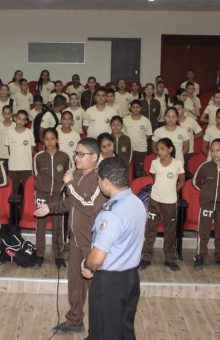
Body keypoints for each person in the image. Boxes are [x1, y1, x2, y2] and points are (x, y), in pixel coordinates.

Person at [34, 138, 106, 335]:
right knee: (75, 284)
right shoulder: (75, 174)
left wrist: (70, 184)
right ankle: (74, 320)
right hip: (74, 239)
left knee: (95, 289)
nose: (76, 157)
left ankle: (98, 329)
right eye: (76, 153)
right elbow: (70, 203)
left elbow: (89, 206)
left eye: (81, 154)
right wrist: (50, 207)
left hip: (92, 243)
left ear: (95, 157)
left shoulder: (100, 178)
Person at [80, 156, 145, 340]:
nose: (99, 183)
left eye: (99, 180)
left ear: (106, 182)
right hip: (131, 277)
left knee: (104, 332)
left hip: (110, 283)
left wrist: (86, 263)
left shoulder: (112, 215)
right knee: (124, 330)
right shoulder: (137, 203)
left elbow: (97, 259)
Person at [138, 138, 185, 271]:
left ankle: (169, 259)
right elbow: (154, 178)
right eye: (158, 149)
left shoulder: (177, 164)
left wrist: (172, 191)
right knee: (150, 229)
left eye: (162, 149)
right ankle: (146, 257)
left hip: (170, 202)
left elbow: (182, 181)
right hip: (155, 200)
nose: (159, 151)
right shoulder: (154, 163)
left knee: (170, 230)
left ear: (170, 149)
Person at [192, 138, 220, 270]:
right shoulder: (205, 166)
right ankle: (200, 256)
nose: (215, 153)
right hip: (207, 204)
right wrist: (206, 191)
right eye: (212, 150)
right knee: (204, 231)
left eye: (218, 150)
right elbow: (195, 181)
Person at [33, 128, 71, 269]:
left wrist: (63, 192)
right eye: (46, 139)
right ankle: (39, 255)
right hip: (42, 194)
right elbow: (35, 174)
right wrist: (42, 188)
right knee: (40, 225)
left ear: (57, 139)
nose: (49, 142)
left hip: (58, 195)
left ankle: (58, 256)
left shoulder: (65, 157)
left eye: (52, 138)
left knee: (58, 226)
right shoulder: (38, 157)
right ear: (43, 140)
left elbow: (69, 177)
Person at [5, 110, 35, 194]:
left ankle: (27, 207)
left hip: (27, 166)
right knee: (13, 191)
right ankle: (13, 207)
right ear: (15, 119)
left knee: (28, 191)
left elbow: (32, 150)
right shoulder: (9, 133)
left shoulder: (29, 133)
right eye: (19, 118)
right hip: (14, 166)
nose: (20, 121)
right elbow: (9, 150)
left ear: (26, 122)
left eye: (23, 119)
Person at [123, 100, 152, 176]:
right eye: (133, 107)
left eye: (137, 107)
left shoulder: (146, 121)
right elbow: (122, 134)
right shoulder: (125, 120)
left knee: (139, 171)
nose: (135, 109)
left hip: (141, 149)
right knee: (127, 170)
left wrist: (140, 140)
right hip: (127, 149)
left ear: (141, 108)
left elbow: (149, 134)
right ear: (130, 109)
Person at [175, 100, 203, 167]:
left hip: (189, 151)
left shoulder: (191, 121)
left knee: (188, 173)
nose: (177, 111)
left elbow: (200, 133)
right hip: (175, 152)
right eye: (175, 109)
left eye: (179, 109)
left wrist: (190, 138)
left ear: (184, 109)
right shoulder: (171, 122)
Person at [0, 105, 15, 172]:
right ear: (2, 114)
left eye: (8, 113)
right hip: (2, 153)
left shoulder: (15, 125)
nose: (7, 115)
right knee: (3, 173)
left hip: (13, 154)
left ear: (11, 114)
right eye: (5, 113)